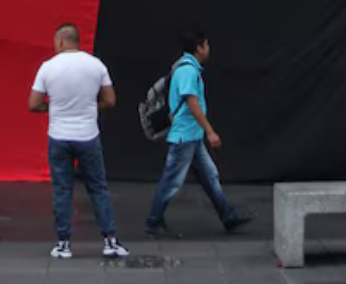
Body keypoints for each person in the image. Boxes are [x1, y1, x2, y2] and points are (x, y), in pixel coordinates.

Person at [29, 23, 129, 261]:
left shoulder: (48, 67)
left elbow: (33, 104)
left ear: (60, 41)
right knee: (98, 188)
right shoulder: (96, 65)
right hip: (87, 135)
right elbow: (110, 100)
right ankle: (110, 241)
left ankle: (63, 244)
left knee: (62, 190)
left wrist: (54, 108)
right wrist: (89, 106)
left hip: (59, 136)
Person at [144, 31, 250, 238]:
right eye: (206, 45)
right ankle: (153, 222)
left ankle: (228, 216)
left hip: (192, 136)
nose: (209, 49)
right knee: (171, 181)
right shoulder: (188, 71)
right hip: (184, 137)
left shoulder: (186, 67)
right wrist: (210, 131)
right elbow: (192, 104)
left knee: (209, 176)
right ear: (199, 48)